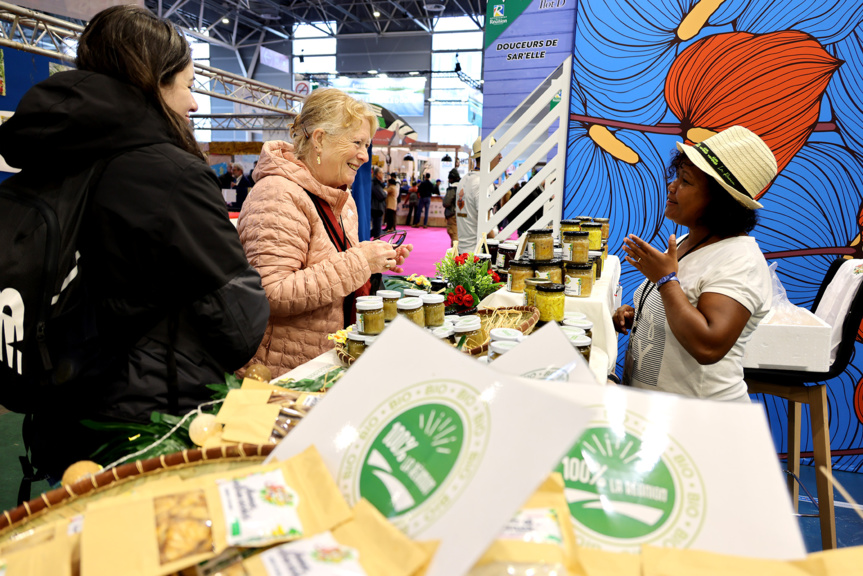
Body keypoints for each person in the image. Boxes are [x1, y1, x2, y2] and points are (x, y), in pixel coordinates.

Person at [0, 5, 270, 476]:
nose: (194, 103)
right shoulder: (170, 173)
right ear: (153, 81)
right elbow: (238, 322)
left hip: (60, 406)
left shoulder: (50, 154)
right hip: (147, 420)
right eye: (187, 85)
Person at [238, 88, 413, 376]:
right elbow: (272, 292)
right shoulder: (277, 195)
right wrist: (361, 262)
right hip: (283, 370)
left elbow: (331, 263)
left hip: (324, 357)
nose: (364, 156)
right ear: (319, 139)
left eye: (365, 145)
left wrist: (376, 258)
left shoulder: (339, 196)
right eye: (357, 142)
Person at [613, 126, 776, 402]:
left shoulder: (740, 261)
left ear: (720, 202)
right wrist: (639, 315)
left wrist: (665, 281)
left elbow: (708, 345)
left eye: (685, 181)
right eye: (676, 177)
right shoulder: (692, 241)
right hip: (659, 418)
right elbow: (680, 309)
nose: (672, 186)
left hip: (702, 426)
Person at [456, 137, 499, 253]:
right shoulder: (482, 183)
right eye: (497, 153)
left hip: (464, 250)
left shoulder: (464, 180)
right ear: (489, 156)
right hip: (477, 252)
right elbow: (485, 224)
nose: (500, 157)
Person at [442, 171, 460, 247]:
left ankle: (456, 256)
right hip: (461, 214)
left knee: (454, 234)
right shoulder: (463, 186)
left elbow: (446, 203)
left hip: (452, 214)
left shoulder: (452, 188)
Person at [370, 166, 387, 238]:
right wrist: (385, 193)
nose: (383, 175)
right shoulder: (375, 183)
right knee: (377, 230)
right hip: (376, 209)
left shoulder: (377, 183)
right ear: (378, 174)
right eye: (382, 173)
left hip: (377, 208)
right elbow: (381, 196)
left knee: (377, 229)